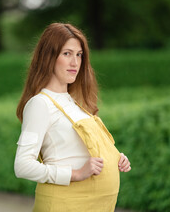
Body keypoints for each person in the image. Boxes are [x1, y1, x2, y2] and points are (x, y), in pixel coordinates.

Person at [14, 23, 131, 212]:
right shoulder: (40, 104)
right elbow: (22, 166)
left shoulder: (74, 103)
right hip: (64, 204)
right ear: (48, 57)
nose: (75, 63)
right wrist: (75, 174)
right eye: (67, 54)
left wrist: (114, 157)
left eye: (79, 55)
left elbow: (75, 150)